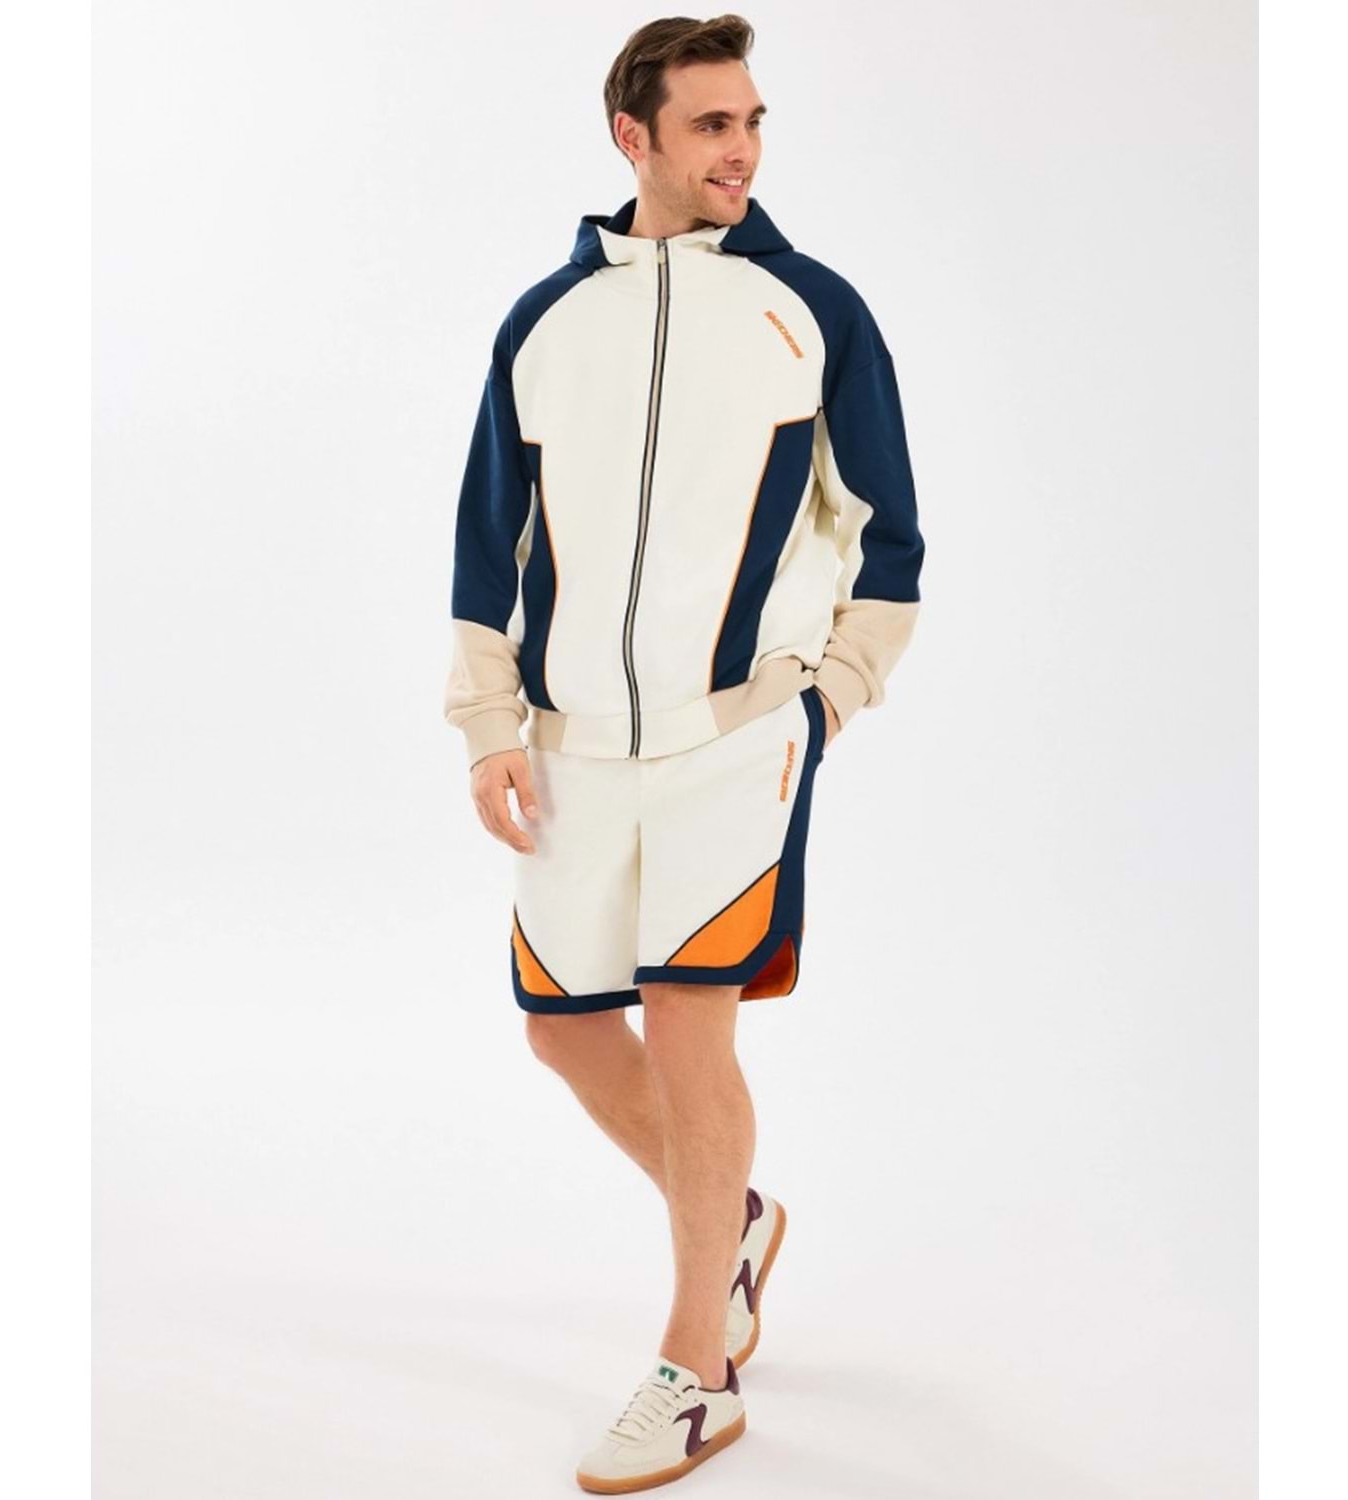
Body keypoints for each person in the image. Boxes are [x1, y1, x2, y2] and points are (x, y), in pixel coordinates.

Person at [443, 14, 925, 1491]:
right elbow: (488, 541)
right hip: (574, 746)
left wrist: (830, 698)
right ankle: (740, 1226)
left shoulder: (814, 307)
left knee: (688, 1014)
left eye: (754, 121)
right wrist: (489, 724)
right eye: (713, 123)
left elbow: (889, 536)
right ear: (631, 136)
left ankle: (695, 1372)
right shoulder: (544, 321)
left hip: (737, 742)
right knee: (561, 1024)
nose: (743, 150)